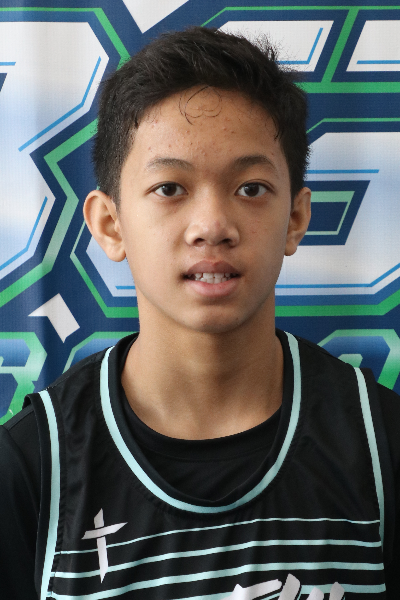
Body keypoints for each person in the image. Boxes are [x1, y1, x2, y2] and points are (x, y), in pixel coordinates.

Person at [0, 26, 399, 600]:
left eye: (251, 188)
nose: (212, 225)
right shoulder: (33, 466)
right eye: (170, 188)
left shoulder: (382, 447)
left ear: (295, 218)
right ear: (110, 224)